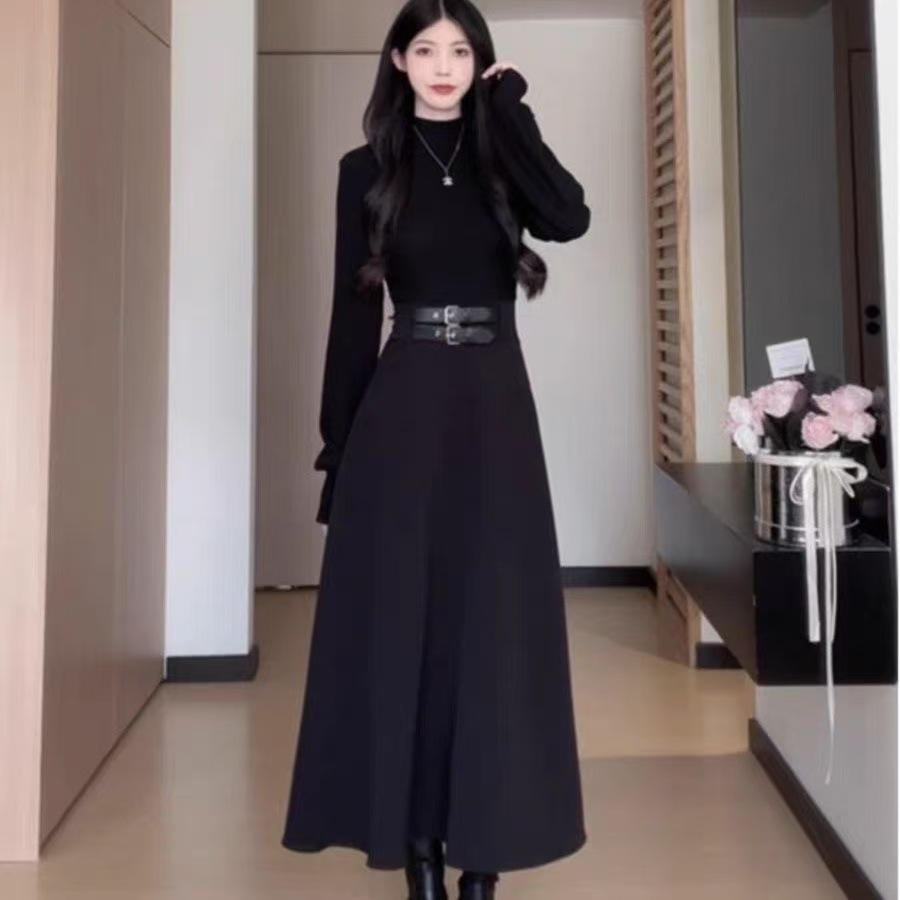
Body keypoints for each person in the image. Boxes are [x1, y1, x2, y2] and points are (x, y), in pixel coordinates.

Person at [281, 1, 591, 897]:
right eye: (426, 49)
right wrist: (337, 451)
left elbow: (568, 218)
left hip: (495, 407)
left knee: (493, 629)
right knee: (407, 630)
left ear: (481, 61)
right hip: (403, 405)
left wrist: (512, 113)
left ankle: (482, 861)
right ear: (398, 60)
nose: (443, 66)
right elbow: (351, 318)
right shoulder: (365, 170)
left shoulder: (503, 155)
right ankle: (418, 851)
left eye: (461, 51)